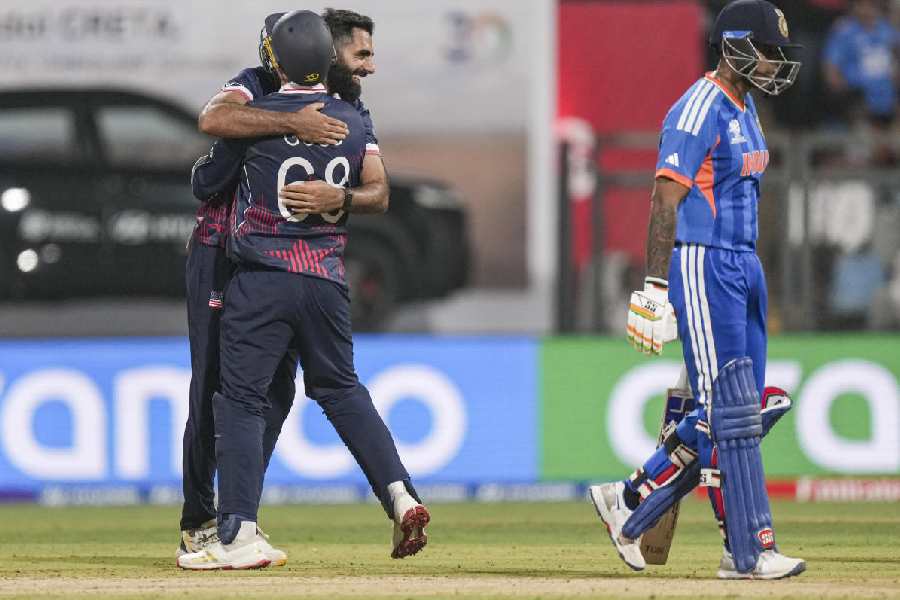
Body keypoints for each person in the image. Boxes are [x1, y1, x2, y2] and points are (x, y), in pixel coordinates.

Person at [176, 10, 428, 570]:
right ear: (328, 55)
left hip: (260, 274)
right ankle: (397, 494)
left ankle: (236, 525)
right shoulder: (323, 110)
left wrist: (335, 197)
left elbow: (206, 177)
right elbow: (214, 117)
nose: (370, 66)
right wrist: (291, 124)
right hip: (314, 277)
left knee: (246, 398)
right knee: (329, 389)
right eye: (361, 56)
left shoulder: (343, 110)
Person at [593, 0, 806, 580]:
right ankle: (749, 551)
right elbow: (666, 198)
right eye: (767, 50)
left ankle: (631, 500)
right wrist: (655, 287)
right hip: (703, 261)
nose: (774, 62)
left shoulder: (746, 105)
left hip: (743, 264)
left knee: (739, 410)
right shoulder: (698, 107)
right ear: (735, 45)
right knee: (734, 413)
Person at [823, 0, 899, 127]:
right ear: (854, 7)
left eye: (871, 6)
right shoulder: (844, 32)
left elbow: (896, 55)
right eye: (862, 5)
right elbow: (831, 67)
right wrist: (838, 84)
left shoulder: (888, 31)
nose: (866, 10)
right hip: (856, 92)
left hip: (887, 92)